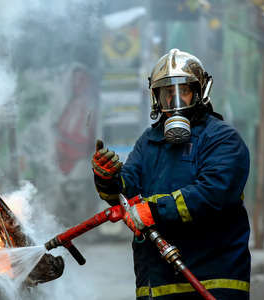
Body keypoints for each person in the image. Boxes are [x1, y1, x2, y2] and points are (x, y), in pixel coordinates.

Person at [92, 49, 250, 299]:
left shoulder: (223, 139)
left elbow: (214, 194)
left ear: (200, 92)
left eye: (184, 91)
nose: (176, 101)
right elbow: (126, 191)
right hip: (156, 283)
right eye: (168, 94)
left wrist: (152, 210)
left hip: (211, 280)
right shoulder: (149, 140)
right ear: (156, 98)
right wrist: (108, 178)